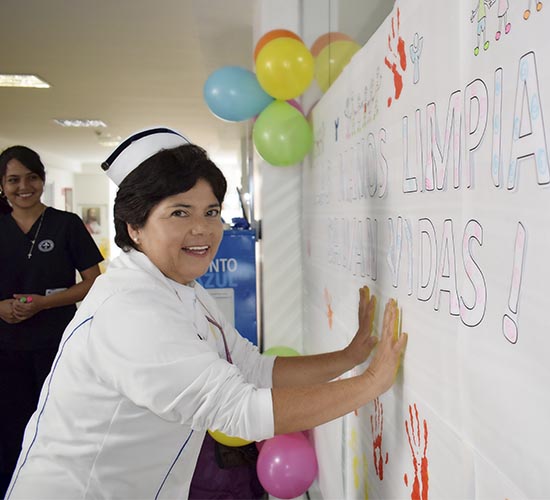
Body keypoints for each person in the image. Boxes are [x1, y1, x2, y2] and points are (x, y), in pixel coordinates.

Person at [5, 128, 408, 499]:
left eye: (211, 212)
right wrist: (370, 383)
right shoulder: (131, 310)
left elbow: (252, 368)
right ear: (134, 228)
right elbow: (240, 412)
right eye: (179, 213)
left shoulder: (183, 288)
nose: (202, 229)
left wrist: (350, 357)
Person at [0, 146, 104, 496]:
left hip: (56, 345)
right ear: (2, 185)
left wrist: (44, 303)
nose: (23, 187)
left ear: (42, 180)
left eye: (31, 177)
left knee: (59, 424)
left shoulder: (66, 225)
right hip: (5, 349)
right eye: (13, 180)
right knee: (10, 430)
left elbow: (93, 281)